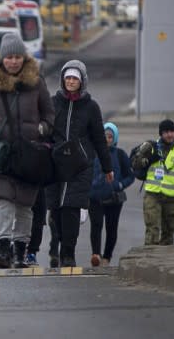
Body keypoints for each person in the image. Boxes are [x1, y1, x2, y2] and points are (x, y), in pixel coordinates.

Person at [0, 33, 54, 269]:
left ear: (23, 58)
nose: (14, 61)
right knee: (4, 203)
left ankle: (20, 253)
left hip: (30, 154)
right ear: (2, 58)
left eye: (18, 57)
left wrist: (42, 128)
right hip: (2, 154)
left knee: (25, 206)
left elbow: (50, 114)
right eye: (9, 57)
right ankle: (4, 251)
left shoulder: (37, 82)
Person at [47, 60, 114, 267]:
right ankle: (57, 245)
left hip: (80, 165)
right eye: (68, 77)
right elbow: (45, 131)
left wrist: (107, 166)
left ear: (82, 81)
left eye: (75, 78)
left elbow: (99, 139)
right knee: (56, 208)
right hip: (55, 163)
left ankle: (69, 253)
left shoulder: (91, 107)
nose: (70, 81)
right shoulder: (53, 102)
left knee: (71, 207)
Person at [133, 119, 174, 246]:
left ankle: (164, 257)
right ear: (161, 134)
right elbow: (135, 163)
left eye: (172, 131)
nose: (169, 135)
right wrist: (146, 159)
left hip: (172, 197)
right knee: (152, 229)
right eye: (166, 132)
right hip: (153, 194)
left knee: (169, 232)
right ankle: (149, 258)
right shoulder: (151, 146)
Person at [88, 122, 135, 266]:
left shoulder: (120, 154)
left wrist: (120, 185)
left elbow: (130, 176)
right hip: (94, 197)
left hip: (113, 199)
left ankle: (107, 257)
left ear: (114, 138)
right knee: (96, 225)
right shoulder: (93, 152)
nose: (107, 139)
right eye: (104, 136)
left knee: (111, 228)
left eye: (110, 136)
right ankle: (96, 254)